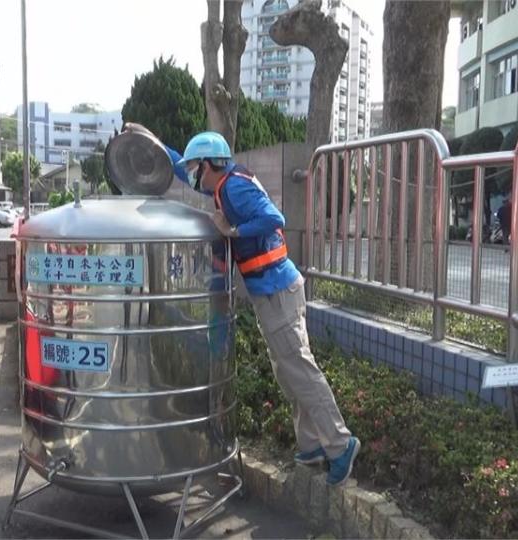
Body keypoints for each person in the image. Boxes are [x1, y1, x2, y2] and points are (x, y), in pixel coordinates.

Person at [123, 124, 361, 486]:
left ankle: (341, 444)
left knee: (299, 368)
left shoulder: (233, 187)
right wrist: (151, 138)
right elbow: (176, 166)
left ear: (209, 164)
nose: (190, 175)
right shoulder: (224, 185)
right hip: (272, 292)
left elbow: (273, 219)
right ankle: (313, 444)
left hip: (277, 291)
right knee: (287, 370)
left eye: (194, 167)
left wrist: (233, 231)